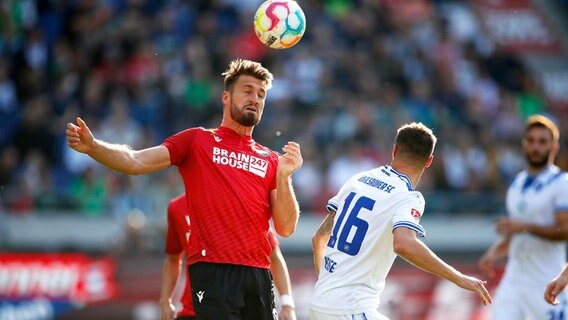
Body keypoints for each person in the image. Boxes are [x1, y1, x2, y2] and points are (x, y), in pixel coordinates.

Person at [66, 59, 303, 319]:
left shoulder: (269, 159)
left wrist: (284, 177)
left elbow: (286, 228)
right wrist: (94, 148)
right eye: (247, 90)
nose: (255, 99)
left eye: (261, 94)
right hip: (213, 271)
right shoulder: (197, 140)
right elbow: (136, 161)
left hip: (258, 274)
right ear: (226, 97)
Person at [309, 122, 492, 320]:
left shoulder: (358, 180)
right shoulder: (407, 196)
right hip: (351, 308)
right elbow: (404, 244)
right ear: (429, 161)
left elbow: (319, 237)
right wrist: (459, 278)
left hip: (320, 303)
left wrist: (328, 285)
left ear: (394, 150)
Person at [478, 114, 568, 319]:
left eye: (542, 142)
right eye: (531, 141)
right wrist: (495, 251)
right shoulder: (516, 184)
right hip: (514, 281)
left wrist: (525, 227)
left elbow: (565, 231)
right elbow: (516, 231)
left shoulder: (561, 183)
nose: (536, 147)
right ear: (524, 144)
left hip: (546, 280)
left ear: (554, 147)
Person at [159, 194, 297, 320]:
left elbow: (274, 257)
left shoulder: (238, 200)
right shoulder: (177, 208)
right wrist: (165, 300)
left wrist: (287, 304)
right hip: (195, 307)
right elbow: (173, 258)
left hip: (240, 306)